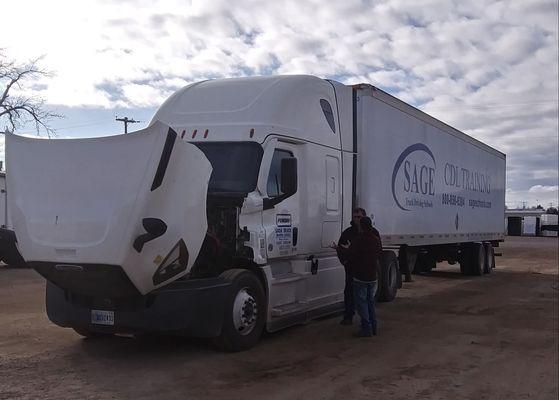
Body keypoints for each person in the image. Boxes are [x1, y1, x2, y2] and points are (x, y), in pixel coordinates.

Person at [338, 216, 382, 337]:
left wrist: (340, 249)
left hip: (360, 276)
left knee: (361, 303)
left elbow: (350, 254)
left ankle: (366, 327)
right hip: (373, 276)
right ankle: (374, 326)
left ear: (362, 227)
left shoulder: (358, 240)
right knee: (370, 302)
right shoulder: (376, 239)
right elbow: (379, 252)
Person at [332, 207, 368, 325]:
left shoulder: (369, 233)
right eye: (355, 217)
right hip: (351, 268)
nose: (357, 219)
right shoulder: (347, 233)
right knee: (349, 292)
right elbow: (340, 248)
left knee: (364, 296)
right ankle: (348, 316)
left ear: (364, 218)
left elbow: (375, 249)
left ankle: (366, 321)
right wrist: (344, 261)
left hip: (365, 269)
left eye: (359, 217)